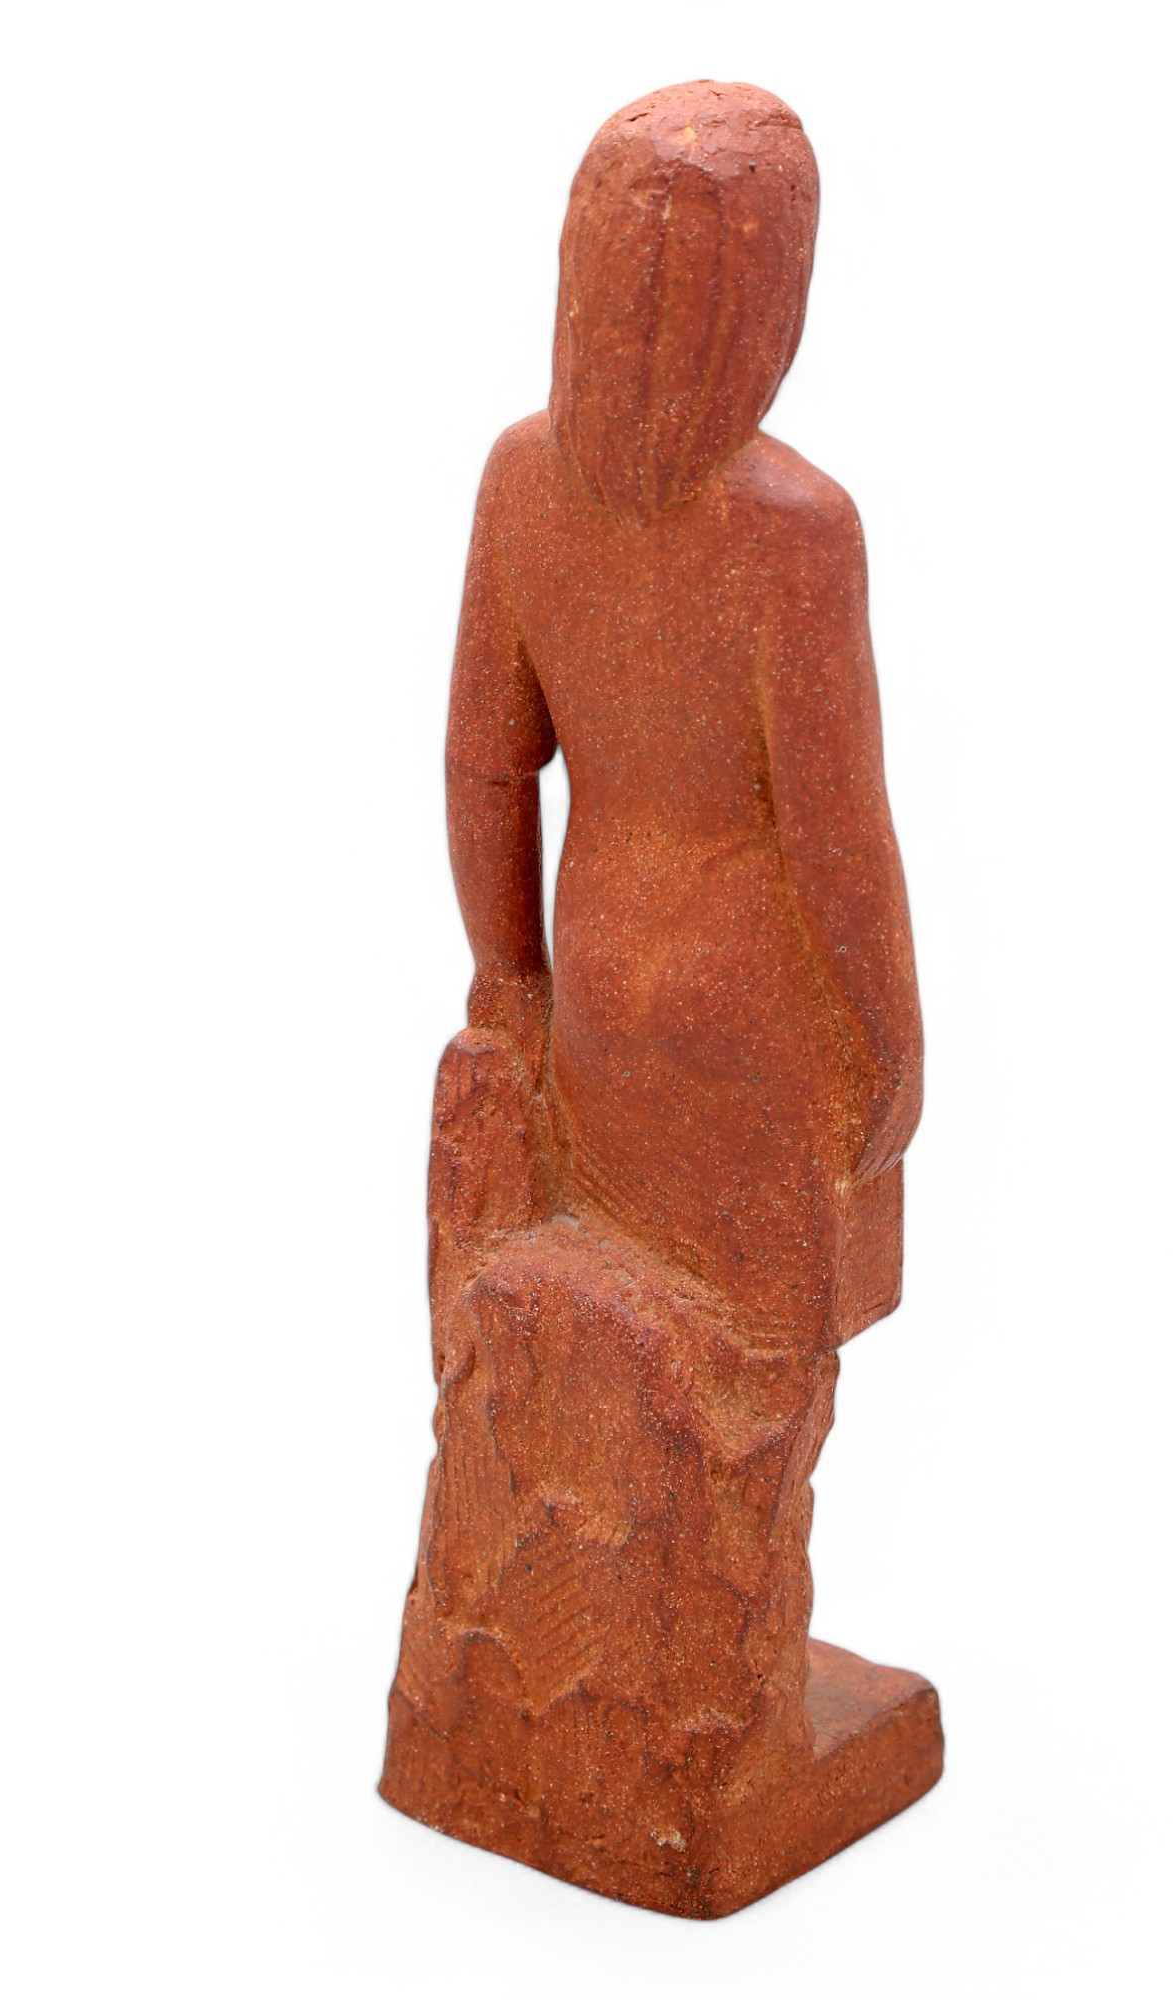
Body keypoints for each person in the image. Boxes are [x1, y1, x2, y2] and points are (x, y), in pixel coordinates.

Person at [443, 79, 922, 1350]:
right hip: (755, 1020)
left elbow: (484, 765)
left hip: (600, 988)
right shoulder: (798, 533)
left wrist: (509, 975)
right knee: (745, 1373)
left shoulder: (520, 479)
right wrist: (892, 1043)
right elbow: (835, 837)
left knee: (623, 1344)